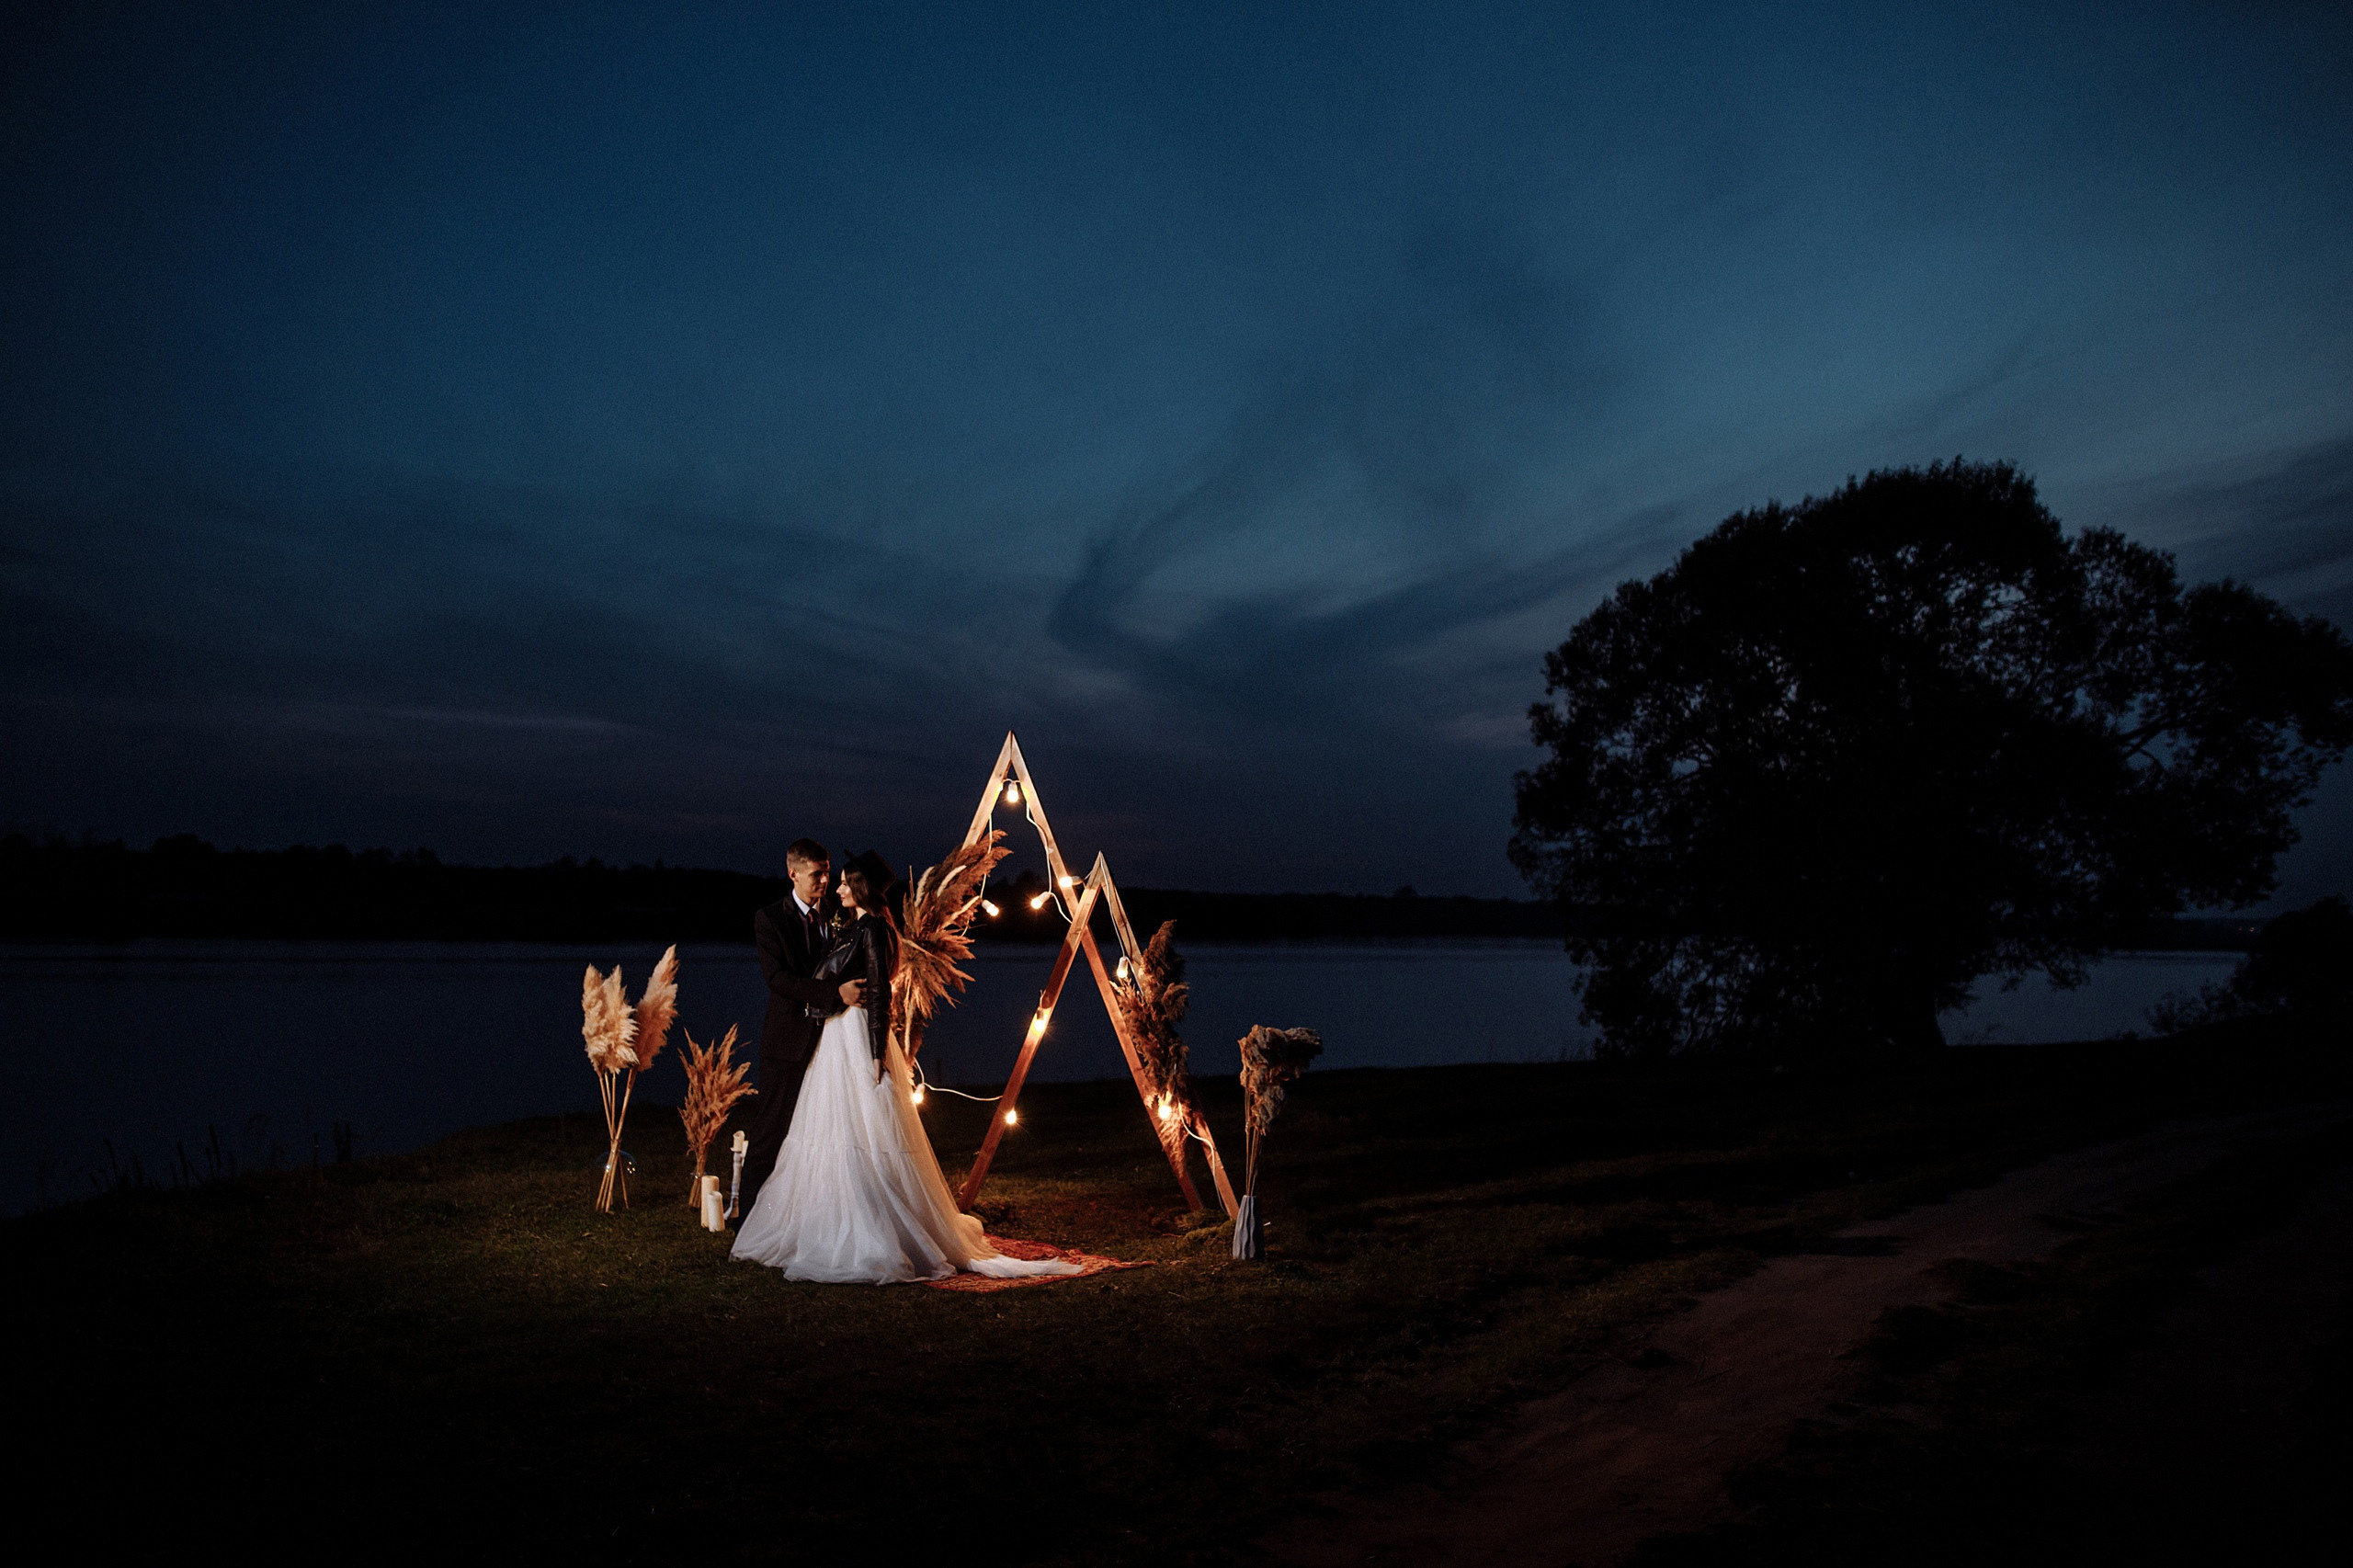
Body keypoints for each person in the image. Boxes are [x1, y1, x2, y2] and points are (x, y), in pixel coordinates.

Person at [731, 848, 1082, 1284]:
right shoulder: (838, 922)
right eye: (825, 877)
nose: (832, 886)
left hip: (854, 1036)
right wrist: (834, 997)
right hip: (824, 1034)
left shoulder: (872, 928)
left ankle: (867, 1225)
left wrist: (876, 1052)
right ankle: (774, 1218)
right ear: (795, 873)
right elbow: (786, 977)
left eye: (840, 880)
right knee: (802, 1132)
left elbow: (881, 994)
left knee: (860, 1128)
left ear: (858, 888)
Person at [738, 838, 864, 1220]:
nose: (825, 880)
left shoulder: (839, 914)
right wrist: (834, 992)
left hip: (832, 1041)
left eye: (827, 872)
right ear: (793, 873)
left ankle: (807, 1217)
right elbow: (778, 979)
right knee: (770, 1132)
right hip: (787, 1041)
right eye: (816, 873)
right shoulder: (769, 919)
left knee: (821, 1133)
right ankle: (749, 1220)